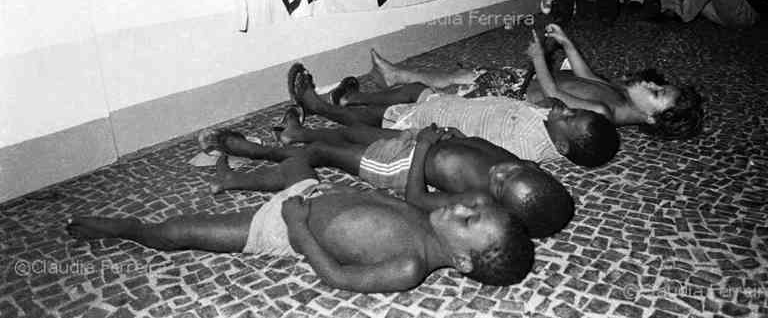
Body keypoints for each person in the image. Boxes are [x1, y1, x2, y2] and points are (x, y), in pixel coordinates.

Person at [67, 131, 534, 292]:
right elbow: (402, 195)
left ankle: (130, 229)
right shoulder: (425, 212)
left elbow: (338, 278)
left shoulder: (411, 265)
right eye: (476, 203)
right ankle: (235, 170)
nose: (462, 205)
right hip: (309, 195)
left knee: (179, 232)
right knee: (298, 159)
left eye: (469, 220)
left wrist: (295, 225)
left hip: (282, 227)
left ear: (464, 261)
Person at [200, 112, 574, 238]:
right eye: (517, 168)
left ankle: (249, 152)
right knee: (350, 134)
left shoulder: (478, 202)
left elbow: (417, 199)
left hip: (403, 165)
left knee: (324, 154)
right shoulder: (523, 171)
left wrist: (425, 149)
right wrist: (461, 138)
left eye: (502, 181)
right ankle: (297, 133)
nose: (504, 169)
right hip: (421, 143)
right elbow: (488, 153)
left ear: (500, 205)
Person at [364, 33, 703, 140]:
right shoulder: (618, 92)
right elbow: (586, 77)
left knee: (455, 86)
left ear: (652, 119)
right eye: (658, 84)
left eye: (656, 93)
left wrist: (540, 59)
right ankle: (400, 75)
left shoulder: (604, 113)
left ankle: (394, 88)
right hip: (525, 82)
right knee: (460, 75)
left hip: (519, 96)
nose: (648, 83)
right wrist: (568, 45)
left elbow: (556, 96)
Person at [289, 62, 620, 169]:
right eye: (572, 109)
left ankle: (321, 108)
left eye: (569, 117)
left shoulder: (526, 147)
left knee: (382, 117)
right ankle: (350, 99)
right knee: (412, 89)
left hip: (436, 121)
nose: (563, 108)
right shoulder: (550, 126)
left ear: (561, 145)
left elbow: (481, 152)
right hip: (452, 105)